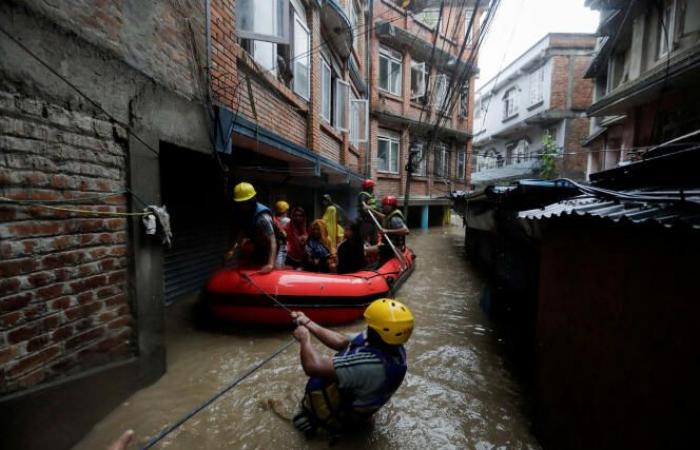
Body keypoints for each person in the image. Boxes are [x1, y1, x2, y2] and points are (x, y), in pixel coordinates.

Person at [290, 299, 414, 436]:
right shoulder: (389, 344)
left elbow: (312, 367)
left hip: (343, 416)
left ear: (378, 332)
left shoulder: (370, 366)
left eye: (371, 326)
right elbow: (341, 342)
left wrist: (304, 339)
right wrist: (308, 322)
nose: (368, 328)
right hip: (358, 403)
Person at [227, 182, 284, 274]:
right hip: (260, 243)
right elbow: (241, 234)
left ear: (253, 200)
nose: (244, 205)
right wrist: (232, 251)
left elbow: (272, 241)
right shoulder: (241, 214)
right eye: (241, 203)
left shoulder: (262, 217)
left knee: (275, 271)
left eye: (247, 202)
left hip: (277, 243)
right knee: (254, 264)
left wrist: (270, 264)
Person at [368, 195, 409, 265]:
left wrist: (387, 231)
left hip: (394, 247)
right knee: (369, 246)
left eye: (385, 206)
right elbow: (383, 217)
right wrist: (371, 210)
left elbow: (406, 231)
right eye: (383, 205)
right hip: (388, 244)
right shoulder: (389, 214)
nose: (383, 207)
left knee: (366, 250)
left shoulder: (395, 219)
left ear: (391, 206)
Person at [358, 179, 380, 245]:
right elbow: (363, 203)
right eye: (372, 187)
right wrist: (365, 206)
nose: (373, 188)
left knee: (374, 238)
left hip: (373, 220)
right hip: (366, 220)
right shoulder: (363, 195)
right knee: (364, 238)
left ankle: (374, 246)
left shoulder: (371, 195)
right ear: (369, 187)